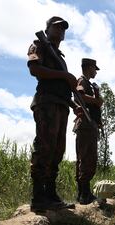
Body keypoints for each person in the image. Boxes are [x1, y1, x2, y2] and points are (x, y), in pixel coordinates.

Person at [27, 16, 78, 211]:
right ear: (47, 29)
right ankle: (38, 196)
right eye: (56, 27)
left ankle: (50, 194)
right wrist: (65, 75)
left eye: (63, 29)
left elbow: (62, 88)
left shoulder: (60, 57)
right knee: (45, 148)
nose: (61, 31)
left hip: (61, 105)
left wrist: (74, 107)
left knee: (57, 151)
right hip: (46, 103)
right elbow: (35, 69)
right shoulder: (38, 45)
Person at [74, 58, 103, 205]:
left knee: (90, 159)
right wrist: (96, 101)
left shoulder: (89, 83)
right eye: (94, 69)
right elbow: (79, 96)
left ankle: (85, 192)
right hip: (85, 125)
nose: (95, 72)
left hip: (90, 126)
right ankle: (83, 193)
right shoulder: (82, 81)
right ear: (88, 67)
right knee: (85, 159)